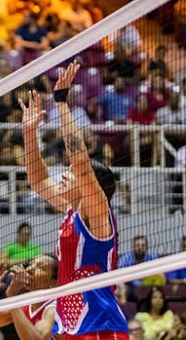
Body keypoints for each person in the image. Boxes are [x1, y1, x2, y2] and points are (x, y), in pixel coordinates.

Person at [20, 60, 129, 338]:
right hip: (73, 329)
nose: (65, 173)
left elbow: (80, 161)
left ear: (91, 185)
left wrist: (61, 102)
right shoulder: (72, 211)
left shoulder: (98, 212)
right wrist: (29, 134)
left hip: (102, 328)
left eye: (72, 172)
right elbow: (38, 181)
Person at [0, 256, 58, 339]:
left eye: (40, 267)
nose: (30, 269)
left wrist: (13, 297)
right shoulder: (24, 307)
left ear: (53, 283)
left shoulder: (55, 308)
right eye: (31, 264)